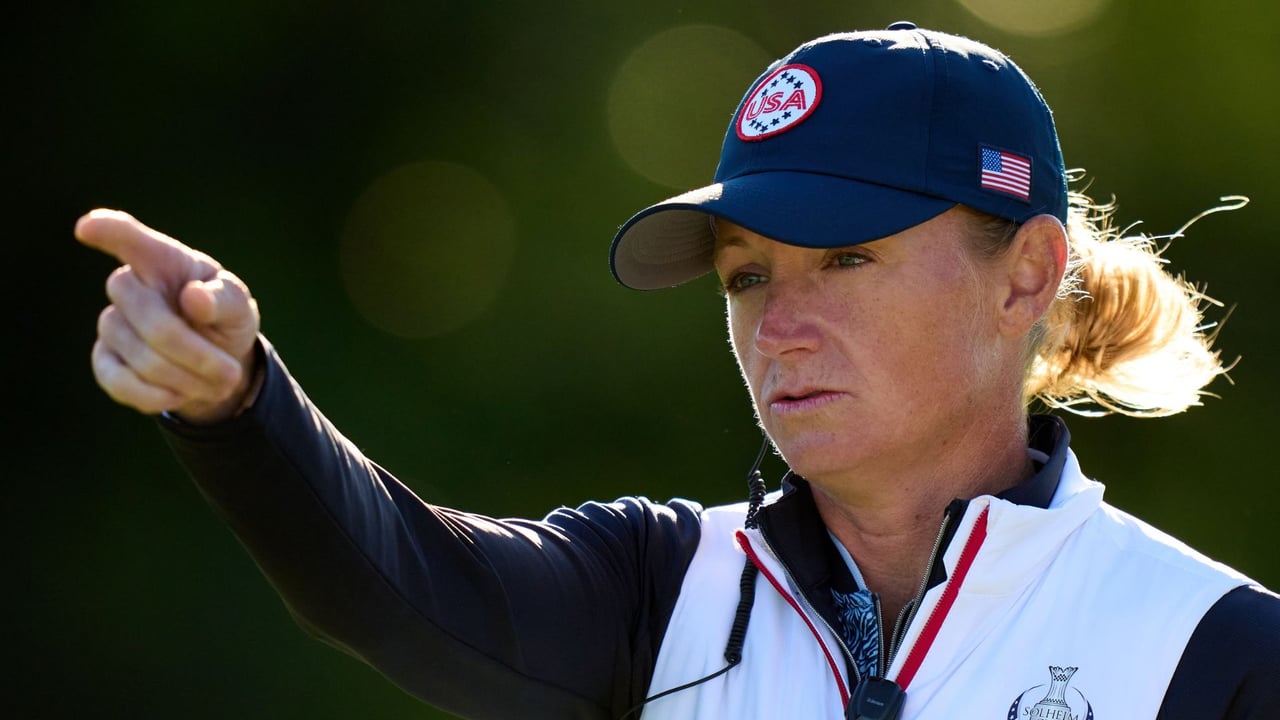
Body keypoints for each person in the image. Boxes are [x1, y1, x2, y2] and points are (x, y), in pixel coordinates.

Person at [78, 22, 1278, 720]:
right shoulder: (661, 586)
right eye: (747, 275)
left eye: (845, 258)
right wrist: (233, 400)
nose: (778, 325)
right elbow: (393, 586)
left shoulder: (1210, 650)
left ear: (1024, 273)